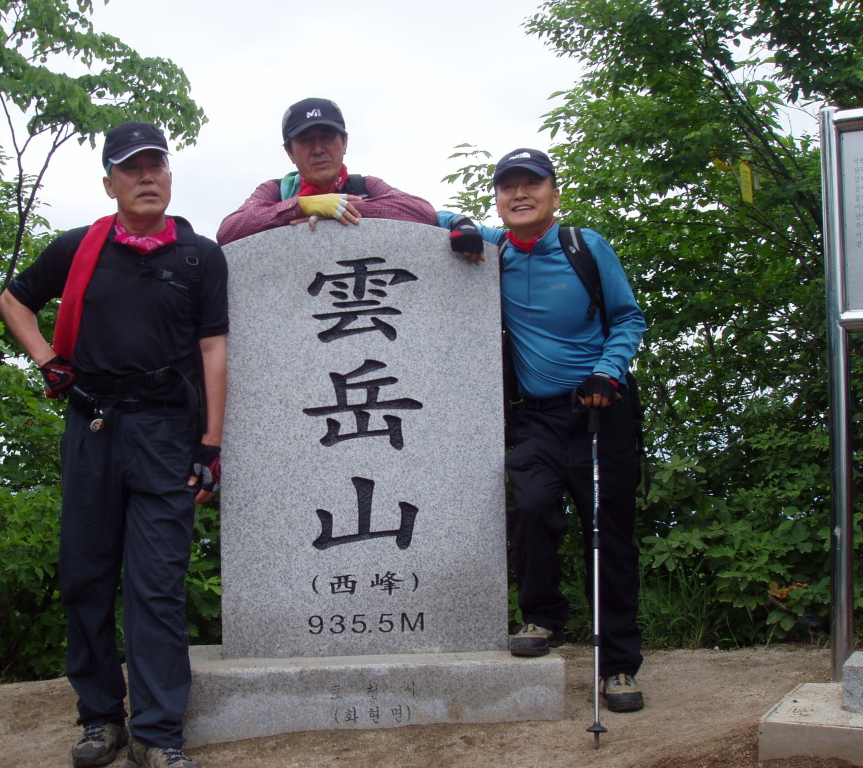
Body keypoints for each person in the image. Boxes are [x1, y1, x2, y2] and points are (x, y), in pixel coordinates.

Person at [0, 121, 228, 768]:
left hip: (165, 434)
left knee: (156, 584)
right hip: (92, 427)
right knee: (85, 577)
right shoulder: (78, 249)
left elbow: (214, 350)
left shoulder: (199, 257)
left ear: (171, 177)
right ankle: (101, 718)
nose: (147, 176)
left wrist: (211, 445)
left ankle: (157, 733)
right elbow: (14, 300)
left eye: (157, 165)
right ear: (110, 183)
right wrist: (46, 358)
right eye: (132, 168)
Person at [439, 148, 648, 713]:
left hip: (601, 410)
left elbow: (629, 316)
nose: (520, 195)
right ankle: (543, 615)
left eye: (533, 184)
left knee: (609, 535)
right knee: (530, 507)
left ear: (555, 193)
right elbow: (424, 215)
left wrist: (608, 369)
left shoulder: (585, 247)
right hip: (535, 416)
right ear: (498, 199)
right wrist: (458, 226)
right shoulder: (496, 248)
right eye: (508, 187)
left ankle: (620, 667)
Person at [216, 97, 448, 245]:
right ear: (289, 152)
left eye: (327, 138)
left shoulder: (366, 186)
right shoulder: (275, 191)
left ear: (344, 143)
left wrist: (338, 207)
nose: (318, 150)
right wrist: (300, 207)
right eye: (306, 141)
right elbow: (229, 231)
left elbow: (423, 213)